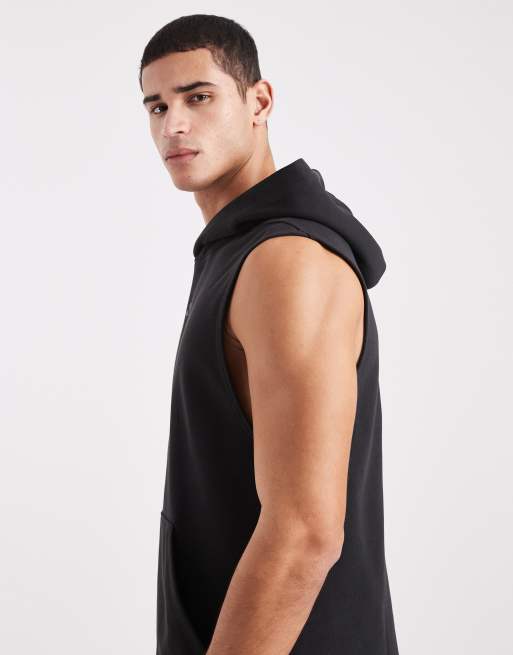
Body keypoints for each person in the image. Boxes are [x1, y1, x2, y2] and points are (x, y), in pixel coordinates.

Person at [139, 13, 399, 655]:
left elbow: (306, 532)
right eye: (157, 105)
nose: (173, 125)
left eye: (199, 97)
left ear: (259, 102)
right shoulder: (239, 253)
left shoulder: (287, 261)